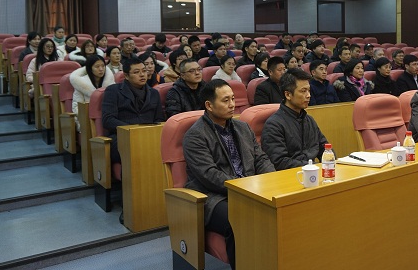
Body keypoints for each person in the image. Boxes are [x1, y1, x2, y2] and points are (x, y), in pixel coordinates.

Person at [183, 79, 275, 270]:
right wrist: (244, 189)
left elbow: (260, 159)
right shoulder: (195, 135)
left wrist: (272, 181)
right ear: (209, 105)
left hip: (248, 189)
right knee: (240, 218)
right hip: (213, 196)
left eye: (233, 99)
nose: (232, 104)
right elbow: (209, 175)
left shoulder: (242, 128)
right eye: (225, 100)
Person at [261, 68, 329, 170]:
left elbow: (325, 148)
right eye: (303, 91)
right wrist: (312, 167)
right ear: (288, 95)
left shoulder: (309, 120)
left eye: (309, 90)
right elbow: (279, 162)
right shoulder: (274, 125)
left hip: (313, 173)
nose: (308, 95)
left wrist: (330, 162)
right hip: (292, 175)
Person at [102, 57, 165, 165]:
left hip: (149, 135)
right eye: (136, 72)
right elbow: (108, 120)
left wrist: (149, 132)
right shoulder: (113, 91)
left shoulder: (154, 93)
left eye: (144, 71)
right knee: (138, 148)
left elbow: (159, 119)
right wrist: (133, 130)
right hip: (123, 137)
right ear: (126, 76)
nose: (142, 75)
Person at [70, 55, 115, 131]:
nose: (101, 69)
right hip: (86, 119)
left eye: (103, 66)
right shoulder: (81, 84)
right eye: (97, 67)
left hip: (108, 116)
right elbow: (76, 108)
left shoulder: (110, 82)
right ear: (90, 68)